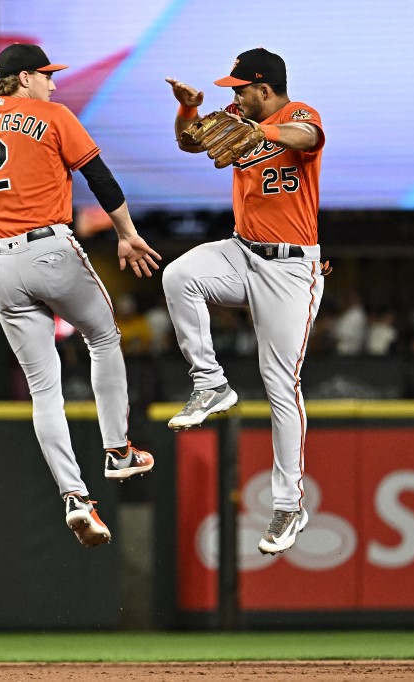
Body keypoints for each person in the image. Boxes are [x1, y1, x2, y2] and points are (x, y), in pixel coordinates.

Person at [0, 43, 160, 548]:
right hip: (49, 248)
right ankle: (117, 451)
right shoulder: (52, 115)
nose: (53, 84)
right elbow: (98, 176)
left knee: (44, 390)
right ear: (22, 79)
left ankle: (75, 498)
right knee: (103, 338)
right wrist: (126, 232)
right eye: (45, 75)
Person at [165, 48, 328, 556]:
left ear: (265, 88)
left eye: (240, 88)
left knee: (281, 384)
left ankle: (287, 503)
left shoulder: (296, 114)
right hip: (241, 251)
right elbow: (190, 144)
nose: (232, 97)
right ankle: (210, 384)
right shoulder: (238, 117)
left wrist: (264, 133)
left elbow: (310, 138)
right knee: (179, 276)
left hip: (290, 267)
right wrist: (189, 111)